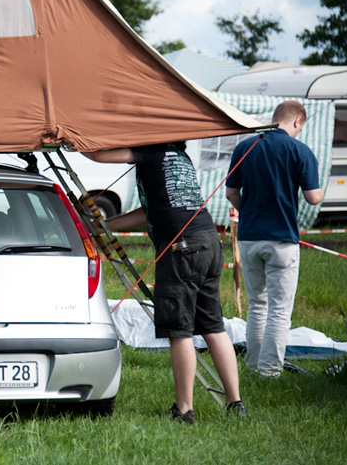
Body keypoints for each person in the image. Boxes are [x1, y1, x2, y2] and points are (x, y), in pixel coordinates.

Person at [83, 142, 244, 424]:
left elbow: (97, 154)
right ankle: (235, 403)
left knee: (179, 331)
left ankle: (184, 410)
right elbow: (150, 211)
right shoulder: (179, 156)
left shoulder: (152, 149)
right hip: (208, 240)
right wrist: (104, 226)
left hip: (182, 248)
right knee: (213, 326)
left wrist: (71, 140)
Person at [225, 100, 324, 377]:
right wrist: (320, 193)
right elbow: (312, 197)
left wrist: (248, 211)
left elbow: (231, 193)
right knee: (279, 309)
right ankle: (269, 371)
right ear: (297, 121)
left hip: (248, 238)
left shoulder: (245, 147)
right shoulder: (299, 150)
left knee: (257, 305)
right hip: (282, 239)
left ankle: (252, 365)